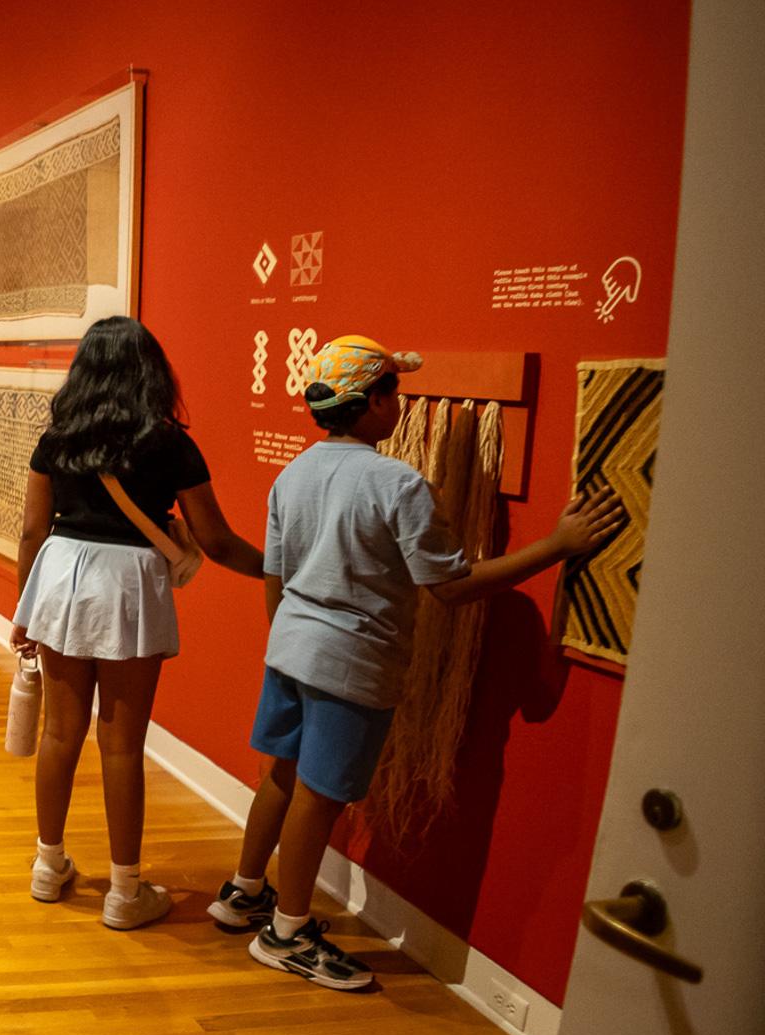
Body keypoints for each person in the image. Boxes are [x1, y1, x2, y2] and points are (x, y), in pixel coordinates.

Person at [208, 335, 623, 989]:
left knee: (280, 778)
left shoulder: (295, 473)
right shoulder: (398, 483)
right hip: (351, 663)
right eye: (393, 392)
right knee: (320, 797)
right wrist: (557, 544)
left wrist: (289, 640)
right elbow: (451, 587)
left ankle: (243, 892)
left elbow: (275, 574)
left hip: (289, 649)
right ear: (374, 403)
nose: (398, 404)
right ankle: (286, 933)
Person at [10, 316, 266, 928]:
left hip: (63, 578)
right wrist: (279, 570)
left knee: (58, 733)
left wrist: (26, 609)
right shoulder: (170, 443)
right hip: (130, 585)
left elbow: (30, 531)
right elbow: (217, 540)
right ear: (150, 371)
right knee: (122, 745)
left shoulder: (59, 438)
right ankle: (124, 893)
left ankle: (49, 866)